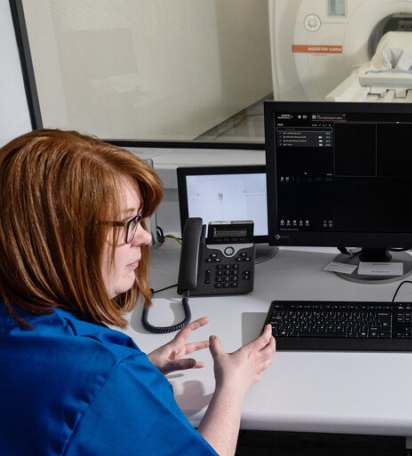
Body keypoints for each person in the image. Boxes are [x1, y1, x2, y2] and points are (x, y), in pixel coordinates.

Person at [0, 129, 277, 456]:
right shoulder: (102, 373)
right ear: (64, 239)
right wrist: (234, 384)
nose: (145, 239)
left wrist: (138, 373)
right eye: (129, 223)